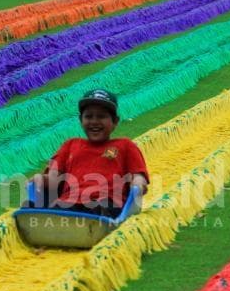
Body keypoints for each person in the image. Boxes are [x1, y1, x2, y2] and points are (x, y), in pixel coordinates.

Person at [31, 89, 149, 218]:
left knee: (96, 207)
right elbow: (53, 179)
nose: (94, 121)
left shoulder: (125, 145)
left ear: (115, 121)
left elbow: (138, 175)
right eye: (88, 116)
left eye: (101, 116)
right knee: (33, 206)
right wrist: (41, 179)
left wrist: (138, 183)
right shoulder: (70, 145)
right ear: (81, 120)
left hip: (105, 202)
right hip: (68, 203)